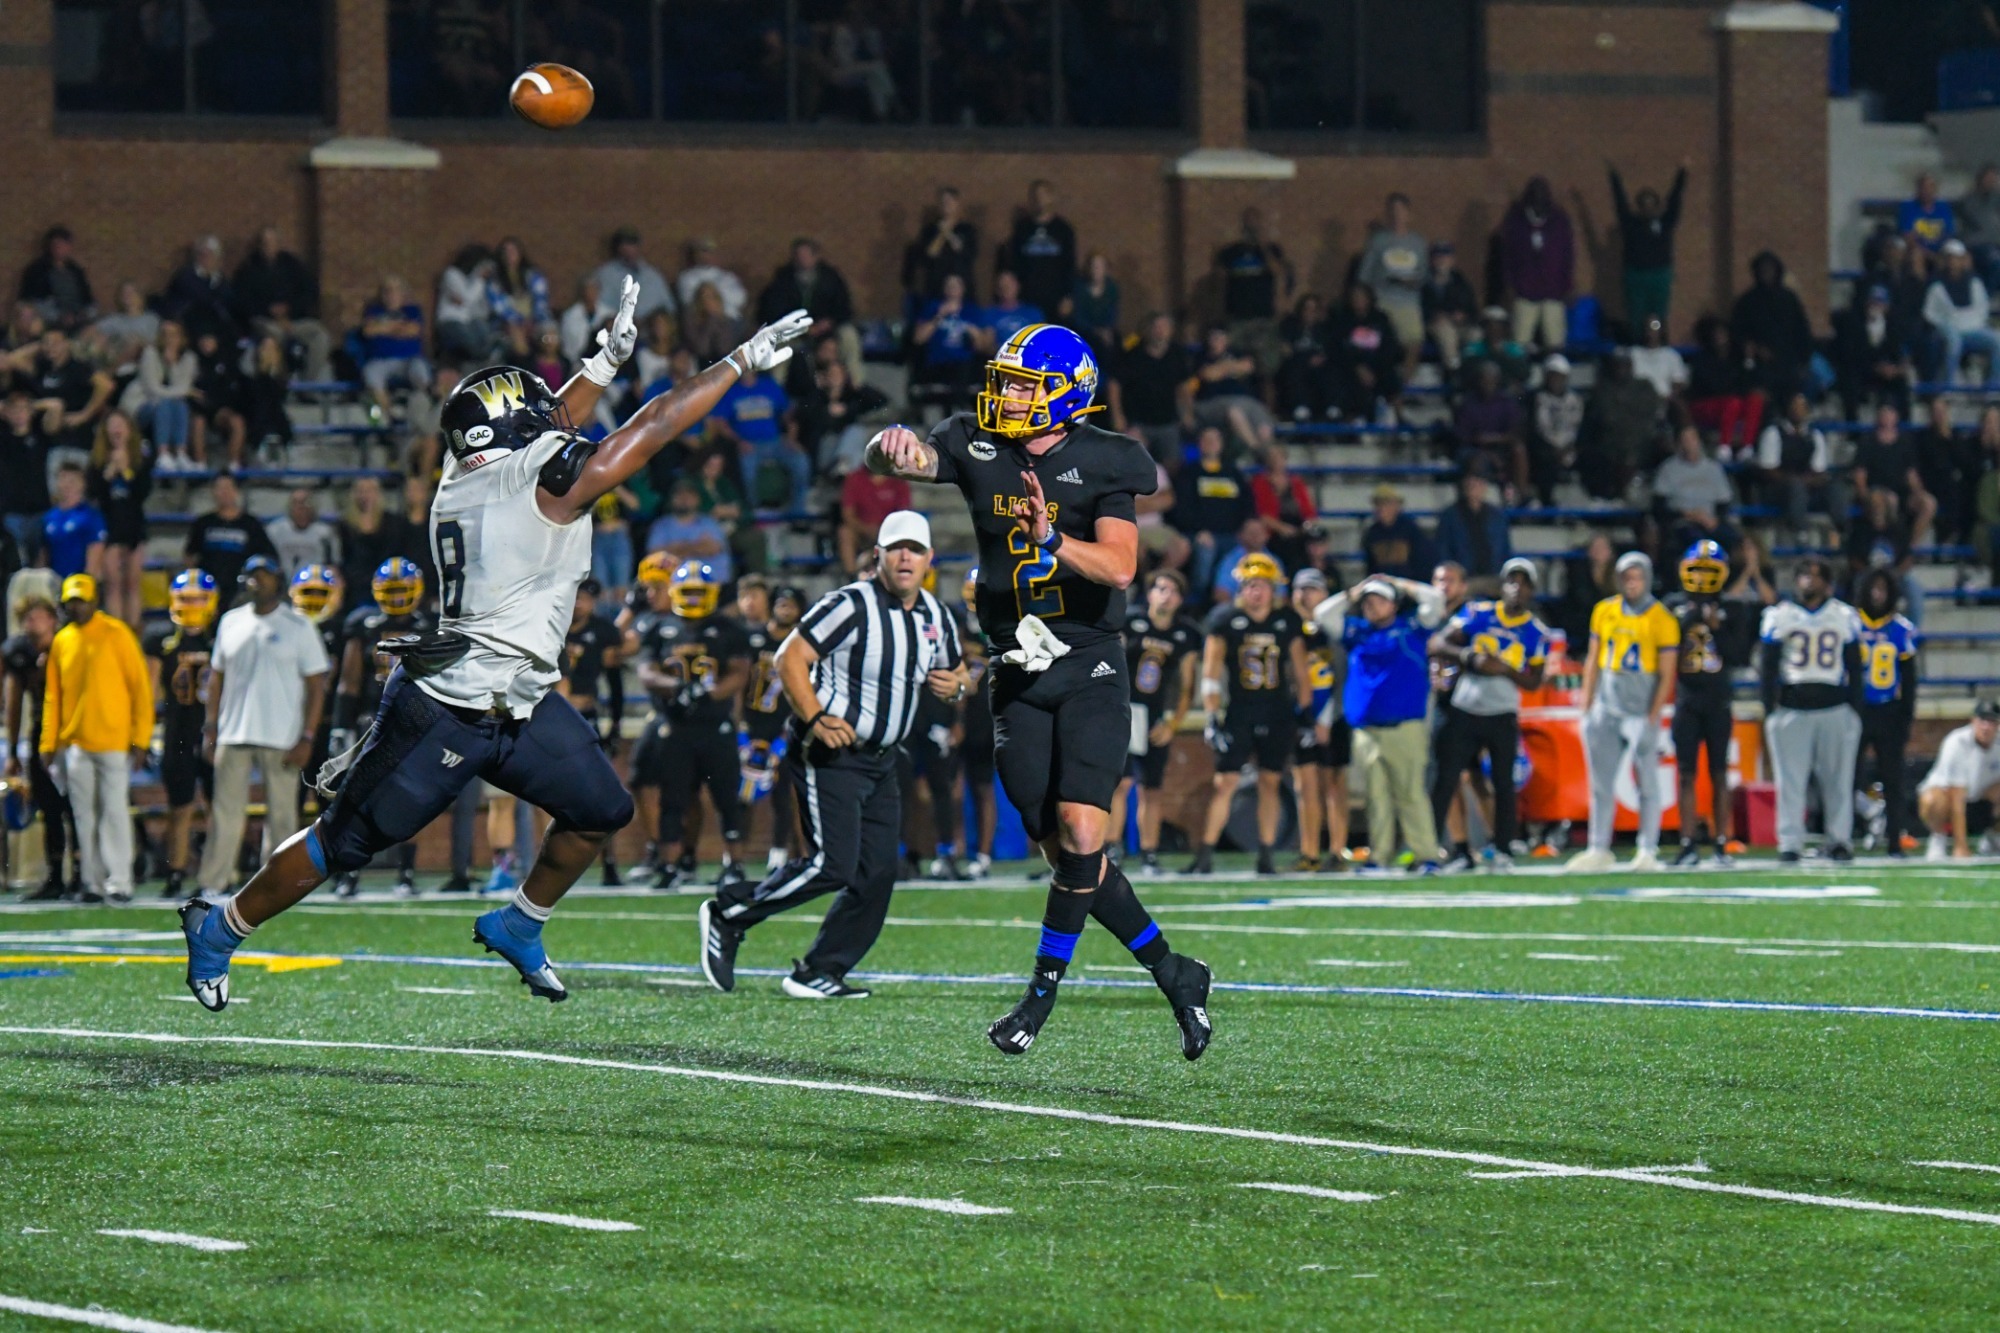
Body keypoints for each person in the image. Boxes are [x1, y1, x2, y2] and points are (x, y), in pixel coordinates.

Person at [176, 282, 812, 1012]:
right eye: (532, 407)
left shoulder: (464, 474)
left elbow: (546, 425)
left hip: (518, 697)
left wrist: (602, 364)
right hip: (446, 707)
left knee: (601, 809)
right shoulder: (538, 482)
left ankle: (520, 920)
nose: (548, 410)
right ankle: (219, 925)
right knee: (342, 842)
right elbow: (654, 426)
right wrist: (737, 362)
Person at [866, 323, 1213, 1059]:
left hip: (1088, 661)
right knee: (1069, 857)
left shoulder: (1110, 458)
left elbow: (1121, 568)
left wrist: (1051, 537)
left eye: (1022, 383)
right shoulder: (976, 441)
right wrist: (887, 446)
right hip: (1015, 666)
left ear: (1065, 392)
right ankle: (1176, 972)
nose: (1006, 393)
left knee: (1085, 831)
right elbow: (918, 458)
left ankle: (1039, 996)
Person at [698, 511, 967, 996]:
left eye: (915, 548)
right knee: (832, 864)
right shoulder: (852, 603)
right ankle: (729, 911)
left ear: (930, 559)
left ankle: (820, 969)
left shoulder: (935, 615)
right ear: (879, 555)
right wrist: (817, 717)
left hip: (884, 758)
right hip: (829, 750)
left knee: (880, 871)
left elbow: (958, 672)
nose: (905, 556)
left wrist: (959, 684)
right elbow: (789, 658)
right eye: (896, 547)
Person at [193, 556, 331, 898]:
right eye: (253, 576)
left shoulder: (299, 625)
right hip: (234, 731)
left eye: (265, 576)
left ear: (278, 581)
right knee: (225, 813)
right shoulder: (230, 621)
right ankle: (214, 881)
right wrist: (211, 727)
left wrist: (308, 735)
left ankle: (279, 885)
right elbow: (216, 679)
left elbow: (317, 684)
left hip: (283, 735)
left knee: (283, 817)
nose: (258, 582)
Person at [633, 557, 755, 890]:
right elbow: (645, 671)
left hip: (715, 725)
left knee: (727, 799)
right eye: (689, 592)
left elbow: (740, 672)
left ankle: (734, 863)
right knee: (673, 799)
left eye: (701, 593)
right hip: (676, 727)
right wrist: (678, 688)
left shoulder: (728, 629)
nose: (695, 599)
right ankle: (670, 865)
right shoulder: (660, 627)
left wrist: (710, 693)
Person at [1312, 575, 1447, 874]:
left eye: (1379, 599)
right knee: (1376, 798)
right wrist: (1353, 591)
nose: (1372, 605)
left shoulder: (1411, 629)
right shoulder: (1357, 632)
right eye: (1368, 601)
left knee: (1410, 793)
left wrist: (1401, 584)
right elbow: (1323, 614)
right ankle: (1380, 855)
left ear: (1394, 604)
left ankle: (1426, 855)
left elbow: (1435, 600)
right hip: (1367, 729)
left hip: (1404, 727)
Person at [1187, 553, 1311, 877]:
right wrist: (1212, 714)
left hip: (1277, 711)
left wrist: (1307, 712)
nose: (1256, 591)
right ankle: (1205, 854)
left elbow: (1301, 672)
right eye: (1250, 585)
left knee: (1270, 781)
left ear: (1274, 589)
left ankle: (1266, 854)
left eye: (1262, 585)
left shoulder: (1287, 620)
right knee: (1225, 782)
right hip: (1240, 710)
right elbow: (1211, 673)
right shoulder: (1224, 619)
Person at [1428, 558, 1549, 869]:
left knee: (1502, 784)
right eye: (1511, 581)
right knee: (1446, 779)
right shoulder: (1479, 613)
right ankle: (1431, 849)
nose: (1515, 588)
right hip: (1465, 708)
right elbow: (1439, 643)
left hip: (1502, 711)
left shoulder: (1535, 631)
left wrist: (1504, 670)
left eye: (1523, 583)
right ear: (1502, 585)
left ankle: (1502, 848)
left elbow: (1534, 681)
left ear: (1531, 590)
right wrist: (1470, 657)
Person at [38, 573, 151, 904]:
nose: (77, 606)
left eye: (82, 600)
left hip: (115, 742)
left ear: (94, 600)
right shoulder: (63, 640)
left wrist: (140, 737)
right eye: (72, 601)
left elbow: (140, 688)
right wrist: (49, 742)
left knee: (114, 812)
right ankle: (91, 881)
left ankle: (120, 880)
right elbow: (52, 697)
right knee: (83, 816)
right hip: (75, 744)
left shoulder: (117, 634)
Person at [326, 559, 435, 899]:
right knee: (358, 798)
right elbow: (349, 681)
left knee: (411, 799)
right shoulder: (364, 624)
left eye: (403, 590)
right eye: (392, 591)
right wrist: (340, 727)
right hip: (370, 719)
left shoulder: (428, 625)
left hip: (415, 718)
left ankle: (405, 872)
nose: (398, 597)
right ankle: (350, 873)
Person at [1570, 552, 1679, 873]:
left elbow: (1666, 672)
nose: (1631, 584)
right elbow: (1593, 660)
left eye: (1636, 577)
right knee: (1600, 783)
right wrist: (1586, 705)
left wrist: (1652, 715)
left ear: (1647, 578)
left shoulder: (1662, 619)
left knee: (1646, 781)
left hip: (1639, 708)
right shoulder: (1605, 611)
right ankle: (1599, 846)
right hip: (1607, 704)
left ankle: (1647, 848)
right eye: (1626, 577)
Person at [1758, 557, 1864, 864]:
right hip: (1792, 706)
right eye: (1803, 575)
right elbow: (1767, 667)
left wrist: (1854, 709)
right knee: (1790, 781)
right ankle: (1790, 842)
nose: (1808, 581)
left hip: (1834, 706)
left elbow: (1855, 668)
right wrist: (1770, 709)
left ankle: (1839, 839)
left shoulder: (1843, 615)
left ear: (1827, 584)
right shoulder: (1781, 615)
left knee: (1838, 781)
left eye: (1815, 576)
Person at [1665, 540, 1757, 867]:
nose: (1703, 578)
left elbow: (1738, 655)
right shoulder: (1674, 605)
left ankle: (1722, 842)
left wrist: (1716, 629)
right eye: (1698, 570)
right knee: (1686, 773)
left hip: (1718, 700)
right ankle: (1687, 842)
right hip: (1687, 699)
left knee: (1719, 774)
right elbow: (1668, 646)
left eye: (1709, 571)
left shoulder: (1733, 608)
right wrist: (1691, 618)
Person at [1108, 569, 1200, 876]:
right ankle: (1112, 849)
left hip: (1155, 716)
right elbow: (1109, 665)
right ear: (1149, 594)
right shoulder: (1129, 621)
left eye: (1173, 590)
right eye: (1161, 588)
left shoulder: (1184, 634)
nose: (1166, 594)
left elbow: (1187, 686)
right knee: (1120, 784)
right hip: (1123, 710)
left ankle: (1149, 852)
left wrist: (1173, 723)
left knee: (1153, 788)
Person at [4, 596, 77, 899]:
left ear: (52, 618)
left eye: (37, 616)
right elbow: (14, 700)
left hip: (73, 734)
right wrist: (12, 749)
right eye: (27, 617)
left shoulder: (71, 642)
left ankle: (85, 875)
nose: (31, 623)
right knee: (49, 809)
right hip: (41, 734)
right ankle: (55, 875)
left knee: (77, 810)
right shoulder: (18, 652)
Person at [1852, 567, 1920, 858]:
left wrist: (1906, 717)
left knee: (1893, 779)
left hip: (1889, 711)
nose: (1878, 594)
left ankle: (1895, 840)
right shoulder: (1851, 624)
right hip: (1857, 710)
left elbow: (1910, 677)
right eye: (1873, 588)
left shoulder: (1901, 627)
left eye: (1883, 588)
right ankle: (1845, 836)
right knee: (1847, 778)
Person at [1290, 570, 1349, 871]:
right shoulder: (1289, 628)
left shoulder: (1333, 629)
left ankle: (1338, 851)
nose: (1304, 595)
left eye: (1312, 589)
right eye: (1300, 589)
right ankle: (1309, 852)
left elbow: (1343, 677)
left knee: (1334, 784)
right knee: (1305, 785)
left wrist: (1327, 717)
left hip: (1332, 713)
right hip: (1301, 715)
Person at [232, 226, 331, 381]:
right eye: (265, 243)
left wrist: (290, 311)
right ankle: (279, 382)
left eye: (272, 242)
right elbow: (242, 302)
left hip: (293, 321)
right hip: (263, 320)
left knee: (320, 335)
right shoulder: (248, 269)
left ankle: (308, 384)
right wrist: (269, 311)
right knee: (274, 334)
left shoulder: (293, 265)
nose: (268, 246)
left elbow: (310, 292)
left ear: (279, 243)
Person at [1609, 160, 1688, 332]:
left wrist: (1682, 174)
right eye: (1644, 205)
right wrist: (1614, 177)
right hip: (1635, 275)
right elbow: (1620, 202)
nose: (1648, 209)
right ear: (1639, 207)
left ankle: (1659, 340)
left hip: (1659, 274)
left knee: (1658, 314)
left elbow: (1675, 200)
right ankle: (1638, 342)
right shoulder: (1631, 223)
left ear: (1657, 206)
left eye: (1651, 204)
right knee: (1636, 314)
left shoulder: (1665, 222)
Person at [1918, 698, 2000, 860]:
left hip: (1981, 802)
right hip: (1950, 802)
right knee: (1933, 799)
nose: (1986, 727)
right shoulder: (1957, 742)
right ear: (1973, 721)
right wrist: (1961, 846)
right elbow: (1957, 796)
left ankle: (1993, 838)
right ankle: (1938, 838)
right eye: (1982, 721)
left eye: (1991, 722)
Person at [87, 411, 149, 627]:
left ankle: (133, 632)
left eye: (120, 425)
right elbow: (94, 493)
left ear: (129, 430)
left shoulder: (140, 460)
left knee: (132, 582)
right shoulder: (97, 461)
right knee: (113, 583)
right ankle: (117, 630)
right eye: (112, 425)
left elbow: (143, 492)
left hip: (134, 526)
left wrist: (126, 471)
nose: (116, 430)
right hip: (108, 527)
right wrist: (109, 472)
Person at [1213, 207, 1292, 374]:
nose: (1252, 226)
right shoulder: (1230, 252)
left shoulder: (1272, 250)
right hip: (1238, 317)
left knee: (1267, 370)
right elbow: (1219, 281)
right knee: (1237, 367)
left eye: (1255, 222)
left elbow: (1278, 272)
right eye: (1248, 222)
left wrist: (1262, 246)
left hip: (1263, 317)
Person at [184, 473, 280, 610]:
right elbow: (190, 555)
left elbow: (268, 557)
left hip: (241, 594)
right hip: (209, 592)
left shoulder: (251, 524)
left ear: (236, 491)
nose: (224, 493)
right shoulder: (203, 523)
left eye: (228, 488)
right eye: (220, 488)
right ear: (213, 492)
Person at [1108, 311, 1193, 460]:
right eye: (1156, 327)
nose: (1160, 331)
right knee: (1134, 460)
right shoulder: (1132, 356)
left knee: (1174, 463)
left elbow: (1183, 386)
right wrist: (1117, 416)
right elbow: (1114, 385)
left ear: (1171, 331)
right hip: (1138, 422)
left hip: (1168, 422)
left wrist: (1187, 412)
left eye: (1164, 327)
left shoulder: (1177, 355)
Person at [1501, 177, 1574, 350]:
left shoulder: (1559, 220)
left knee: (1555, 340)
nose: (1538, 198)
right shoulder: (1516, 221)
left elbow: (1568, 256)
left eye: (1542, 193)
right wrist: (1510, 285)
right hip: (1524, 291)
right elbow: (1507, 256)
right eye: (1534, 194)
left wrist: (1567, 285)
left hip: (1553, 291)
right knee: (1519, 341)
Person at [1754, 391, 1836, 544]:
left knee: (1834, 487)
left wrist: (1806, 481)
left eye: (1802, 406)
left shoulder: (1814, 435)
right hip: (1777, 490)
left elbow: (1820, 471)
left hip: (1807, 487)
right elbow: (1768, 470)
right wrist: (1795, 480)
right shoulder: (1773, 433)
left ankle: (1841, 526)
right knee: (1795, 486)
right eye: (1795, 406)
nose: (1798, 410)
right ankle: (1800, 531)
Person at [1730, 251, 1813, 402]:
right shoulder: (1747, 302)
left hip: (1788, 363)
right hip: (1760, 366)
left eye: (1770, 269)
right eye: (1762, 270)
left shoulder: (1789, 299)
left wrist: (1803, 361)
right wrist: (1754, 347)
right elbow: (1738, 332)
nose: (1766, 274)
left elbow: (1802, 331)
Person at [1359, 194, 1428, 364]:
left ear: (1408, 214)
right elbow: (1365, 274)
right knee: (1374, 343)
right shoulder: (1378, 241)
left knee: (1415, 343)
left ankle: (1403, 385)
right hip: (1382, 300)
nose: (1397, 215)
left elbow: (1424, 274)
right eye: (1392, 210)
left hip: (1408, 302)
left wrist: (1412, 282)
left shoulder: (1418, 243)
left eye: (1400, 210)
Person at [1923, 240, 2000, 389]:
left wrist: (1970, 322)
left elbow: (1981, 308)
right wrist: (1947, 324)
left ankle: (1993, 386)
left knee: (1997, 341)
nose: (1953, 262)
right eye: (1949, 258)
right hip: (1948, 329)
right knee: (1953, 342)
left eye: (1956, 258)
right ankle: (1947, 386)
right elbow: (1930, 313)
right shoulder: (1936, 284)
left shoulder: (1974, 282)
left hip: (1972, 329)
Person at [1001, 180, 1079, 325]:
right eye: (1036, 196)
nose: (1039, 199)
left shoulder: (1063, 230)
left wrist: (1068, 296)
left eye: (1043, 195)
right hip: (1027, 297)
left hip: (1055, 299)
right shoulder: (1022, 229)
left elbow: (1070, 265)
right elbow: (1014, 263)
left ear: (1051, 197)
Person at [902, 187, 978, 305]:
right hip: (936, 286)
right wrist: (941, 234)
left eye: (950, 201)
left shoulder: (967, 230)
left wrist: (949, 233)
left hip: (961, 286)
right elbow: (928, 254)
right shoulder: (930, 230)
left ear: (957, 204)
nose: (946, 205)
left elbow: (967, 253)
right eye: (943, 202)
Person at [1434, 466, 1512, 580]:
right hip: (1463, 579)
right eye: (1470, 483)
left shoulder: (1497, 516)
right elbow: (1444, 552)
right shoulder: (1450, 516)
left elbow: (1505, 550)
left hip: (1494, 576)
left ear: (1485, 486)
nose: (1474, 486)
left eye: (1478, 482)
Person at [18, 225, 95, 331]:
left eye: (64, 245)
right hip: (49, 323)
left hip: (79, 321)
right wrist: (58, 317)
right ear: (49, 246)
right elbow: (30, 302)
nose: (60, 248)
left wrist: (84, 314)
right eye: (56, 245)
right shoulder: (36, 270)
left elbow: (90, 301)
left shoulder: (76, 271)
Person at [41, 462, 105, 582]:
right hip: (54, 582)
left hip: (78, 583)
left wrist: (87, 581)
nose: (66, 485)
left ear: (82, 484)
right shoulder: (49, 517)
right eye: (62, 479)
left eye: (72, 481)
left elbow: (96, 551)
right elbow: (44, 554)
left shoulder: (90, 516)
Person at [1422, 242, 1480, 372]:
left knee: (1475, 334)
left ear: (1452, 260)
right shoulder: (1424, 281)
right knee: (1446, 330)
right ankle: (1453, 371)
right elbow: (1420, 308)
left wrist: (1464, 316)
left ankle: (1472, 370)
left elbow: (1473, 309)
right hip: (1434, 324)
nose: (1442, 260)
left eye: (1446, 256)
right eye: (1438, 256)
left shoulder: (1460, 281)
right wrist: (1437, 315)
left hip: (1460, 325)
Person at [266, 488, 340, 580]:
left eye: (305, 502)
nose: (301, 507)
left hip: (315, 585)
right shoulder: (274, 531)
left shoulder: (325, 533)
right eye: (296, 502)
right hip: (281, 584)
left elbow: (333, 564)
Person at [1899, 172, 1954, 252]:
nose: (1927, 191)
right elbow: (1908, 236)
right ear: (1917, 189)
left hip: (1941, 247)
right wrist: (1930, 255)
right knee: (1916, 254)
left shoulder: (1943, 207)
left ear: (1935, 189)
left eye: (1930, 187)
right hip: (1918, 248)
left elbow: (1948, 233)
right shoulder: (1908, 207)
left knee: (1959, 256)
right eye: (1923, 188)